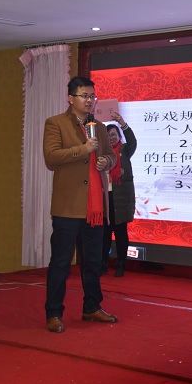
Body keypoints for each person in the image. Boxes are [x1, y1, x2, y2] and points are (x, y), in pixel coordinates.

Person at [42, 76, 119, 333]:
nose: (89, 100)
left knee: (94, 261)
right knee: (61, 262)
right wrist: (83, 150)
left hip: (94, 207)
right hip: (68, 205)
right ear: (70, 98)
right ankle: (54, 313)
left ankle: (92, 307)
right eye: (84, 96)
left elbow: (110, 155)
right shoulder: (56, 123)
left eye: (92, 96)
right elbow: (51, 156)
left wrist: (105, 162)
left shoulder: (99, 127)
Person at [102, 113, 137, 277]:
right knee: (104, 233)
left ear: (118, 136)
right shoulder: (101, 154)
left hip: (121, 199)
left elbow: (133, 141)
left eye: (113, 135)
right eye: (108, 135)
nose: (111, 138)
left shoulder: (124, 150)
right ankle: (103, 263)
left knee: (121, 233)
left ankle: (121, 263)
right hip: (105, 198)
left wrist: (122, 123)